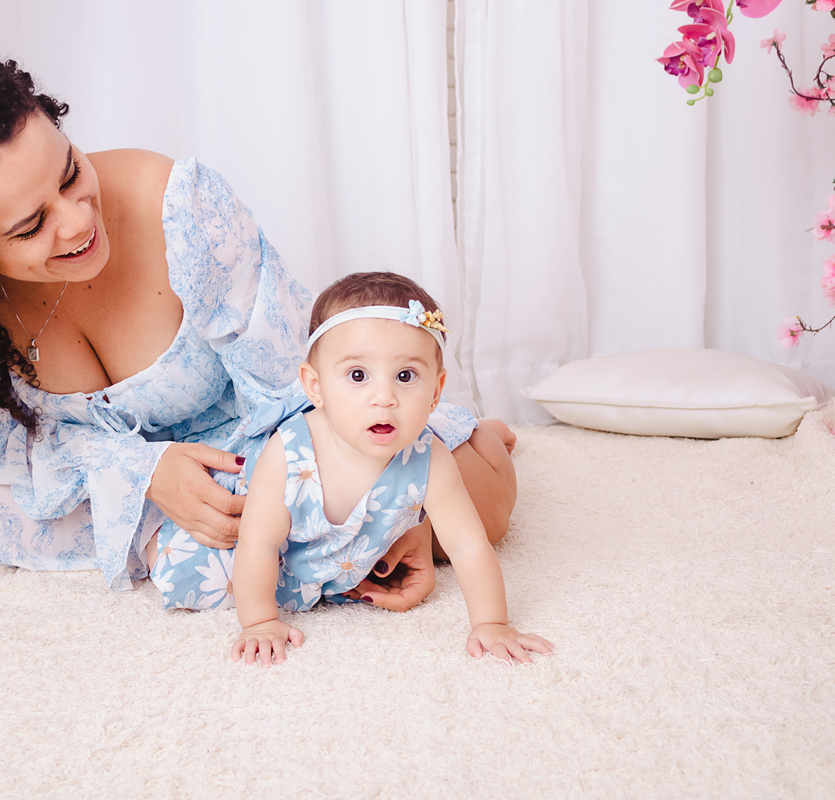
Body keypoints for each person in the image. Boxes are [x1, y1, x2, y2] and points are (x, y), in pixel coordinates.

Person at [0, 44, 518, 610]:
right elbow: (22, 465)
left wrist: (341, 506)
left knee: (478, 498)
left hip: (261, 440)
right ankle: (309, 546)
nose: (78, 221)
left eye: (70, 173)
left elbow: (300, 383)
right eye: (31, 225)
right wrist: (145, 474)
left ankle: (456, 462)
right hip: (134, 482)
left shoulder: (180, 206)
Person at [147, 273, 551, 665]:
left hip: (345, 539)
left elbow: (468, 546)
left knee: (490, 510)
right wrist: (260, 622)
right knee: (193, 575)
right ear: (315, 386)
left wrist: (492, 623)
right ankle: (470, 425)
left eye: (405, 376)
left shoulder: (431, 459)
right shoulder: (287, 453)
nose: (384, 397)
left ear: (435, 391)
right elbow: (258, 544)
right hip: (285, 539)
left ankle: (481, 434)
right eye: (358, 375)